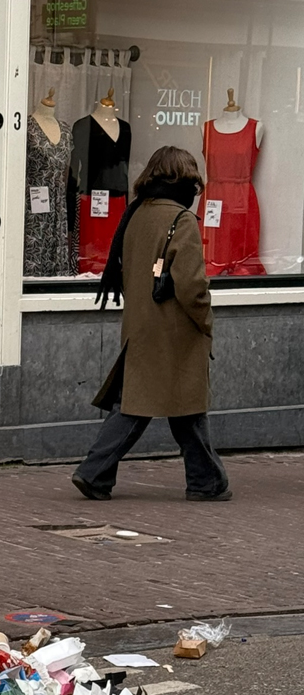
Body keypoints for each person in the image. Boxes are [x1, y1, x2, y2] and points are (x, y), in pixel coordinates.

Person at [72, 145, 231, 502]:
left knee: (157, 407)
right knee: (170, 407)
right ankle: (97, 472)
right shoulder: (182, 219)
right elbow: (192, 286)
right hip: (174, 331)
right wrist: (206, 321)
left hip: (141, 325)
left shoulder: (136, 214)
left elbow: (126, 271)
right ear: (186, 180)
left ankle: (205, 479)